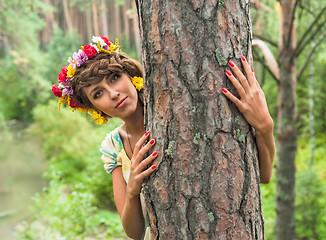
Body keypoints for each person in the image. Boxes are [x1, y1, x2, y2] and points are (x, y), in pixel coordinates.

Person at [51, 36, 275, 240]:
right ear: (95, 109)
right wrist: (133, 191)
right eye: (98, 93)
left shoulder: (174, 109)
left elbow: (262, 176)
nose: (113, 93)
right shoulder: (113, 146)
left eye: (114, 78)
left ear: (129, 75)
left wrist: (265, 126)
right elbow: (134, 233)